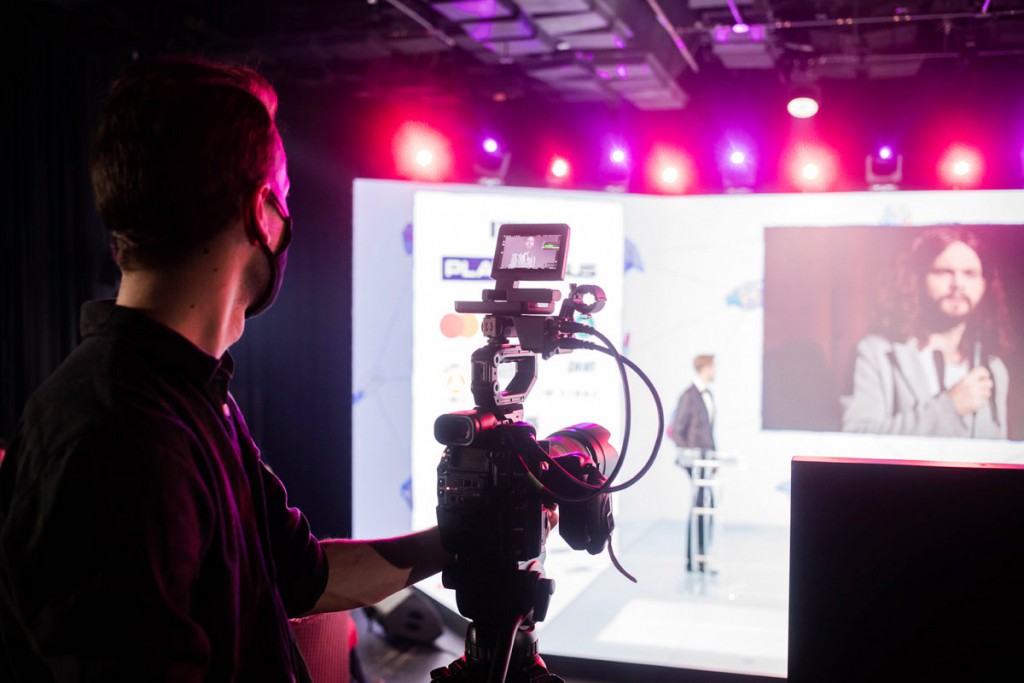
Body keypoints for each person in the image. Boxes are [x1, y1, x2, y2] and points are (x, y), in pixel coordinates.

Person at [0, 56, 451, 681]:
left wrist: (460, 538)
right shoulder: (124, 437)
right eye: (284, 196)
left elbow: (304, 576)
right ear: (260, 211)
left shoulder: (189, 393)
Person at [841, 226, 1011, 438]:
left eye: (969, 273)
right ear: (918, 279)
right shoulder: (877, 354)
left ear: (983, 285)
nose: (958, 284)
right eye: (944, 272)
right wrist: (950, 408)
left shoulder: (994, 369)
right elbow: (857, 437)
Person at [670, 354, 717, 573]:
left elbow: (708, 432)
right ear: (705, 368)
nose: (715, 371)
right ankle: (694, 559)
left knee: (707, 506)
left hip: (706, 460)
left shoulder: (709, 394)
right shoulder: (689, 396)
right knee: (699, 506)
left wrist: (713, 458)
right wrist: (690, 454)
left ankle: (702, 557)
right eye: (713, 367)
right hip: (695, 461)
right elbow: (676, 431)